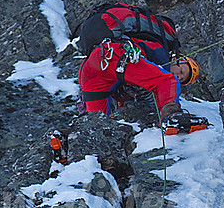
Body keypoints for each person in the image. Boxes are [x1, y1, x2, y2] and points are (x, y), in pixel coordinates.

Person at [78, 34, 207, 134]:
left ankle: (63, 143)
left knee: (97, 126)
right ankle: (173, 116)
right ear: (178, 59)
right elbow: (164, 83)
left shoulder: (150, 69)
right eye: (182, 70)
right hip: (115, 55)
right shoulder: (160, 52)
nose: (178, 76)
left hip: (92, 70)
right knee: (167, 81)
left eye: (182, 79)